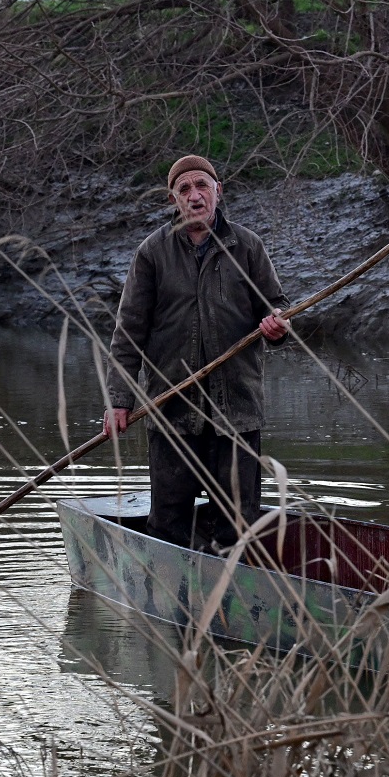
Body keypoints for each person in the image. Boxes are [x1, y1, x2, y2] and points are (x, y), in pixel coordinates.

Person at [104, 155, 290, 550]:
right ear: (174, 199)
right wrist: (119, 400)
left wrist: (276, 326)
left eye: (202, 186)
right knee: (169, 525)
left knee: (238, 525)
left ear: (218, 192)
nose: (194, 195)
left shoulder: (248, 247)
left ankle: (232, 600)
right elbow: (128, 334)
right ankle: (171, 602)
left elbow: (276, 308)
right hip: (171, 411)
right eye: (184, 189)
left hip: (236, 412)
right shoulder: (152, 253)